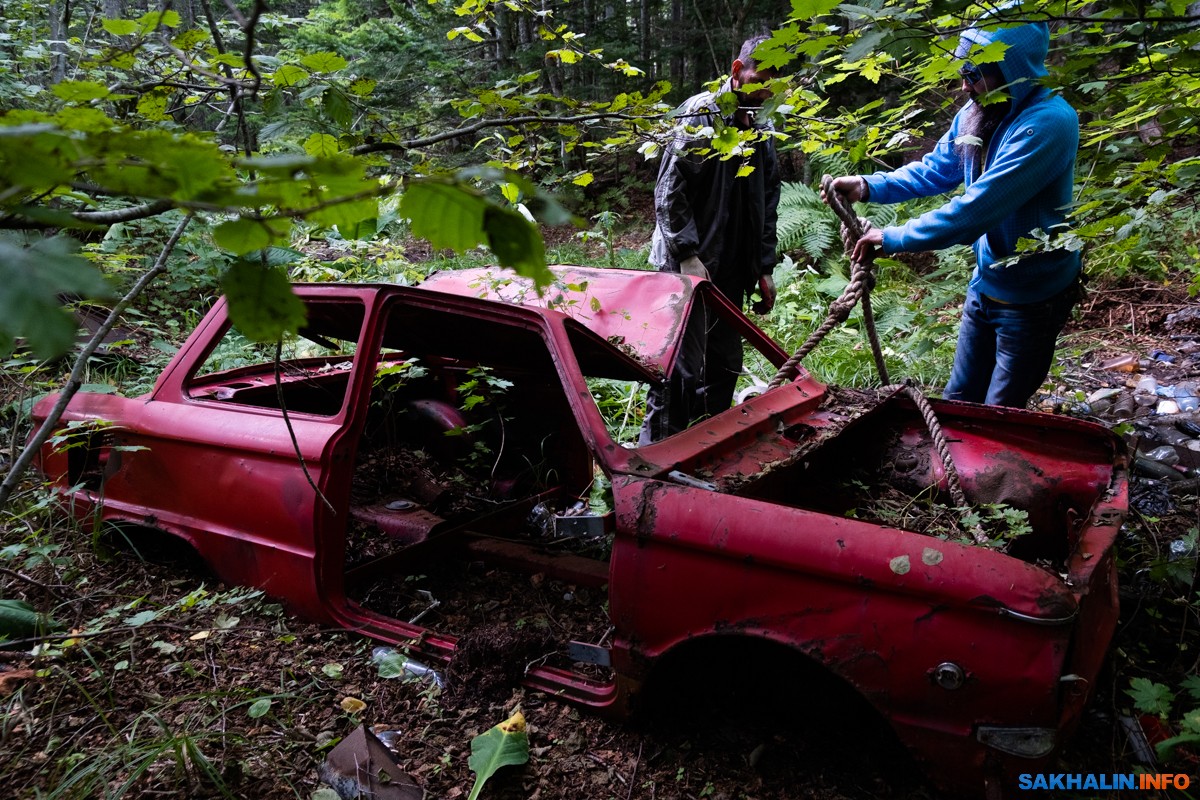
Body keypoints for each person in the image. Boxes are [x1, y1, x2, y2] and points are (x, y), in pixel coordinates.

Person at [824, 17, 1081, 409]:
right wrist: (868, 185)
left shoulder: (1047, 123)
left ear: (1011, 70)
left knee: (1000, 416)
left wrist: (893, 238)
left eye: (974, 75)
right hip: (986, 284)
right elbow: (936, 169)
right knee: (958, 402)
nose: (964, 86)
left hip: (1034, 296)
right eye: (963, 72)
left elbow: (976, 210)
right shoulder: (978, 111)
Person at [639, 34, 781, 444]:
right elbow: (670, 190)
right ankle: (656, 457)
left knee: (723, 364)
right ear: (738, 71)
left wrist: (763, 267)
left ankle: (706, 448)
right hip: (688, 264)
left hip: (733, 266)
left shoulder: (763, 126)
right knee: (680, 367)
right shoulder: (701, 116)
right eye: (760, 80)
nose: (765, 91)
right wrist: (685, 254)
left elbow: (767, 199)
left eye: (773, 85)